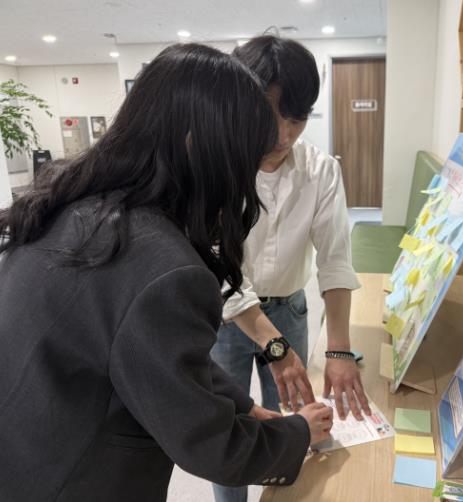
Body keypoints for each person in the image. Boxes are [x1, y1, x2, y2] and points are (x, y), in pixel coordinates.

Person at [0, 43, 332, 502]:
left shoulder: (69, 205)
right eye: (245, 159)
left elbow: (153, 354)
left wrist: (243, 406)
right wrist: (298, 433)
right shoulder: (166, 271)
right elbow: (212, 446)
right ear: (200, 146)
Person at [210, 35, 370, 502]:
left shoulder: (320, 170)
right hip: (224, 321)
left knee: (294, 421)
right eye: (269, 117)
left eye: (296, 120)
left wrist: (339, 350)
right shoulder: (217, 168)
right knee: (228, 430)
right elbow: (220, 267)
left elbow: (335, 260)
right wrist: (274, 347)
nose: (282, 136)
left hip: (290, 311)